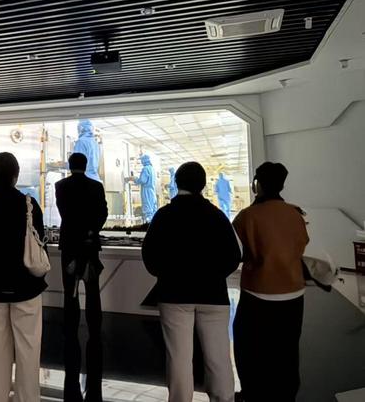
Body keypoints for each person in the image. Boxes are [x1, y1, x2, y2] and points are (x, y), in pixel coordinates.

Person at [142, 162, 241, 402]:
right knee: (218, 357)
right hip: (213, 296)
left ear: (176, 182)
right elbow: (233, 256)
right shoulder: (217, 216)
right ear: (204, 185)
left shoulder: (164, 215)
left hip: (174, 295)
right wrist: (213, 275)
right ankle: (223, 398)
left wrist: (167, 274)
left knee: (179, 357)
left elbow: (150, 256)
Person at [232, 162, 309, 402]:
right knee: (287, 349)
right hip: (294, 293)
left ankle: (253, 394)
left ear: (257, 185)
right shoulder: (295, 214)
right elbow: (302, 245)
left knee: (250, 348)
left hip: (258, 293)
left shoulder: (247, 216)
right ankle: (286, 394)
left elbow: (235, 254)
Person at [0, 152, 48, 402]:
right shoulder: (28, 204)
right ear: (15, 176)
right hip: (25, 287)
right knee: (28, 352)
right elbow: (40, 240)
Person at [55, 153, 108, 402]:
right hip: (90, 244)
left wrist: (77, 232)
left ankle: (71, 326)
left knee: (70, 291)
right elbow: (103, 213)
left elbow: (66, 213)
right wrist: (90, 231)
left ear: (69, 165)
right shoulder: (96, 187)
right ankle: (95, 328)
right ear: (86, 166)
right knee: (93, 289)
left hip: (69, 245)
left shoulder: (61, 186)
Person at [132, 154, 158, 223]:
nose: (141, 162)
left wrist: (135, 179)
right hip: (152, 192)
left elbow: (143, 180)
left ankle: (148, 226)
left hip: (147, 192)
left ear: (144, 160)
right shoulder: (152, 169)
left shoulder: (145, 169)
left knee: (148, 212)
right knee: (153, 212)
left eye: (142, 160)